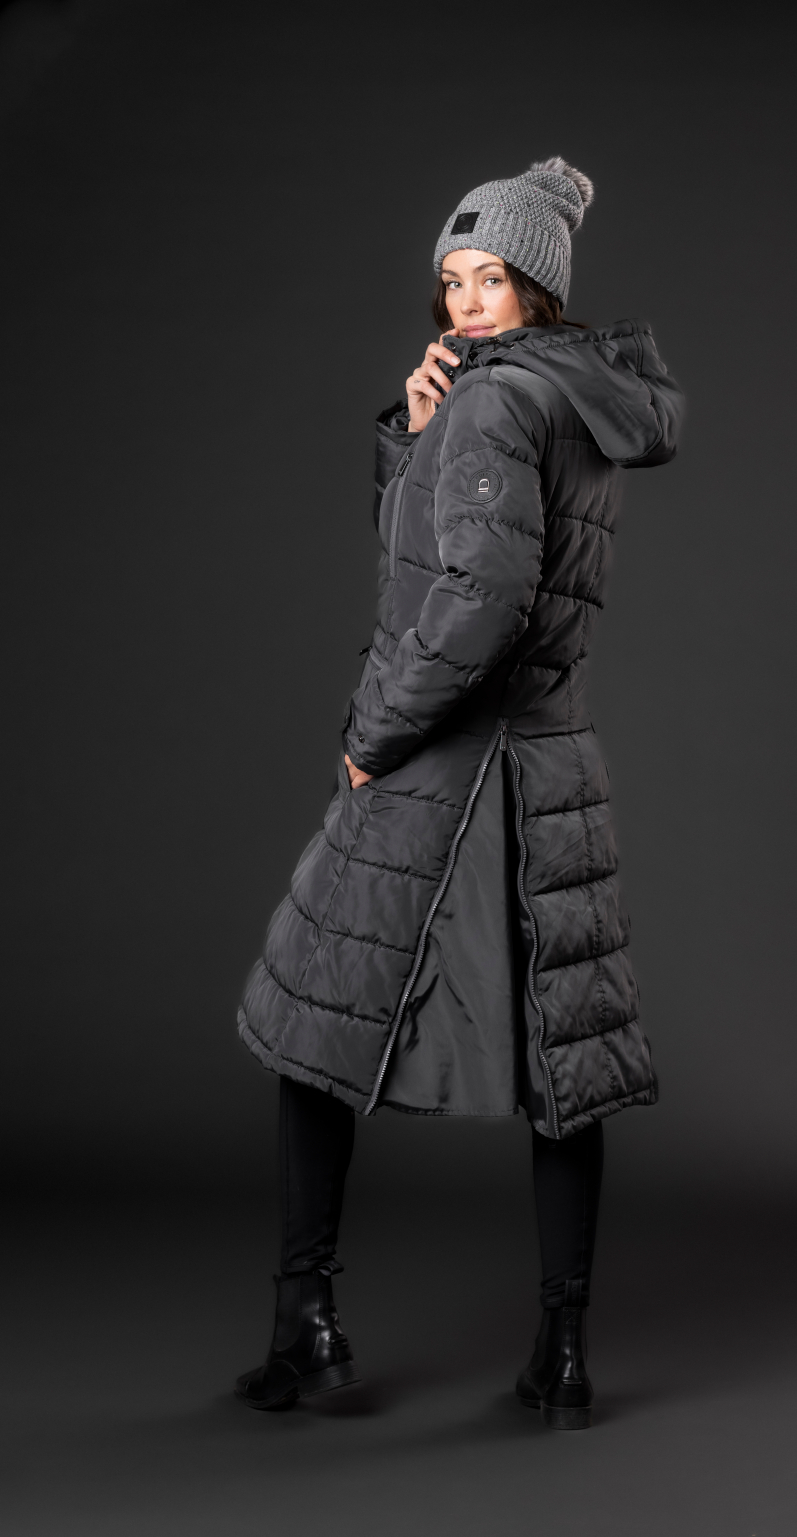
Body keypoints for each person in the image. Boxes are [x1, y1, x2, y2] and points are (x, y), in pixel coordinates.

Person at [235, 158, 683, 1428]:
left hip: (445, 752)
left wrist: (372, 734)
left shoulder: (496, 401)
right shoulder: (574, 396)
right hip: (553, 753)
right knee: (563, 1046)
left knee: (315, 1019)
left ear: (537, 287)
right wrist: (411, 437)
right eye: (451, 278)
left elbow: (472, 599)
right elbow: (455, 551)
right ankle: (562, 1353)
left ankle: (305, 1325)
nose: (466, 300)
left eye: (491, 277)